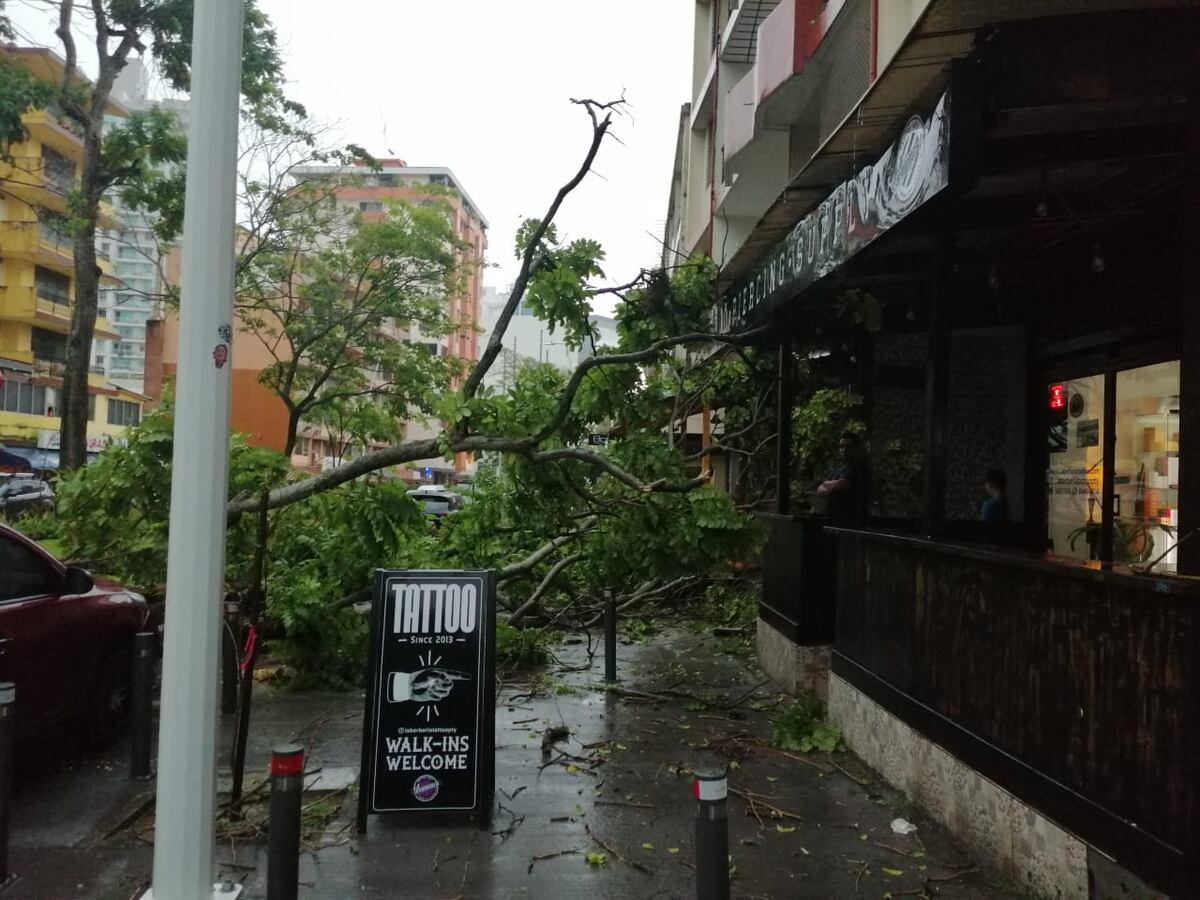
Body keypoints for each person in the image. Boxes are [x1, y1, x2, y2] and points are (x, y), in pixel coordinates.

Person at [817, 431, 871, 524]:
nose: (844, 450)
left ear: (857, 448)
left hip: (851, 523)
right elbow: (820, 489)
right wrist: (829, 484)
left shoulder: (859, 467)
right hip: (836, 521)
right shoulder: (840, 469)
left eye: (848, 447)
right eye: (841, 447)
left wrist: (828, 484)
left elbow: (842, 485)